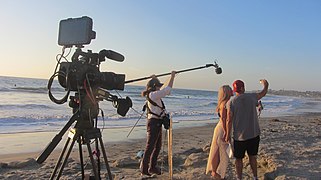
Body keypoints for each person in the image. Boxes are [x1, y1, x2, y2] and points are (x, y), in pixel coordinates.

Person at [225, 79, 269, 180]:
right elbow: (263, 93)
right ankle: (255, 177)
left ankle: (239, 178)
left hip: (239, 137)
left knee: (239, 159)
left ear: (235, 90)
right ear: (243, 88)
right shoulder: (252, 97)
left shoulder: (231, 102)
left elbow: (229, 121)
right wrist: (265, 84)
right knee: (253, 157)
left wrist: (227, 135)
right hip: (253, 134)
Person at [140, 71, 176, 176]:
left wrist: (154, 79)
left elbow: (165, 90)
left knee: (157, 146)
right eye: (158, 86)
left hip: (156, 122)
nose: (159, 88)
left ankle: (152, 167)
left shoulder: (153, 95)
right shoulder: (153, 95)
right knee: (150, 146)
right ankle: (145, 169)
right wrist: (172, 77)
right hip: (154, 123)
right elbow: (167, 90)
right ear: (154, 87)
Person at [206, 85, 233, 179]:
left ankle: (215, 171)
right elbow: (224, 119)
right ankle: (215, 171)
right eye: (230, 90)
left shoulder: (223, 103)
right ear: (226, 92)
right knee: (219, 150)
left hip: (220, 128)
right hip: (222, 128)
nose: (232, 91)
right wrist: (227, 132)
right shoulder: (225, 103)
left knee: (216, 149)